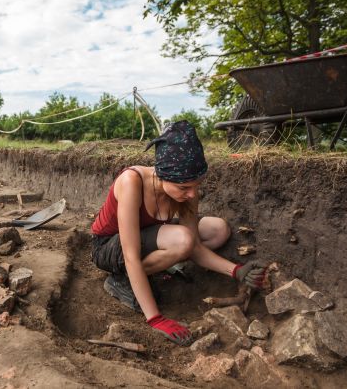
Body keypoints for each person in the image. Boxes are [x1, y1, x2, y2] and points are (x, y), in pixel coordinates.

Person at [90, 120, 266, 346]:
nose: (192, 194)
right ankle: (122, 281)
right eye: (184, 188)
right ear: (162, 176)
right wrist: (155, 318)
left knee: (218, 229)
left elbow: (196, 246)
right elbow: (131, 255)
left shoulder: (187, 191)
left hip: (148, 236)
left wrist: (237, 271)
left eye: (196, 185)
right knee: (182, 240)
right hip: (108, 248)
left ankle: (162, 265)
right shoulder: (131, 181)